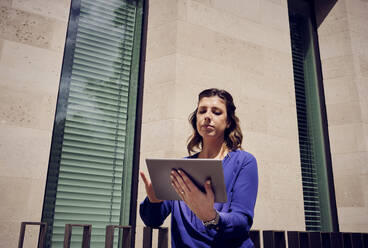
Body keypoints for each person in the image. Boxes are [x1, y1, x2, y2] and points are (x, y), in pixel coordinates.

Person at [140, 88, 258, 248]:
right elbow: (153, 220)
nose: (207, 116)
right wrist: (154, 201)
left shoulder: (244, 161)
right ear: (196, 118)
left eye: (216, 112)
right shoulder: (180, 168)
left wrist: (211, 217)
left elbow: (242, 221)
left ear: (228, 121)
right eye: (202, 111)